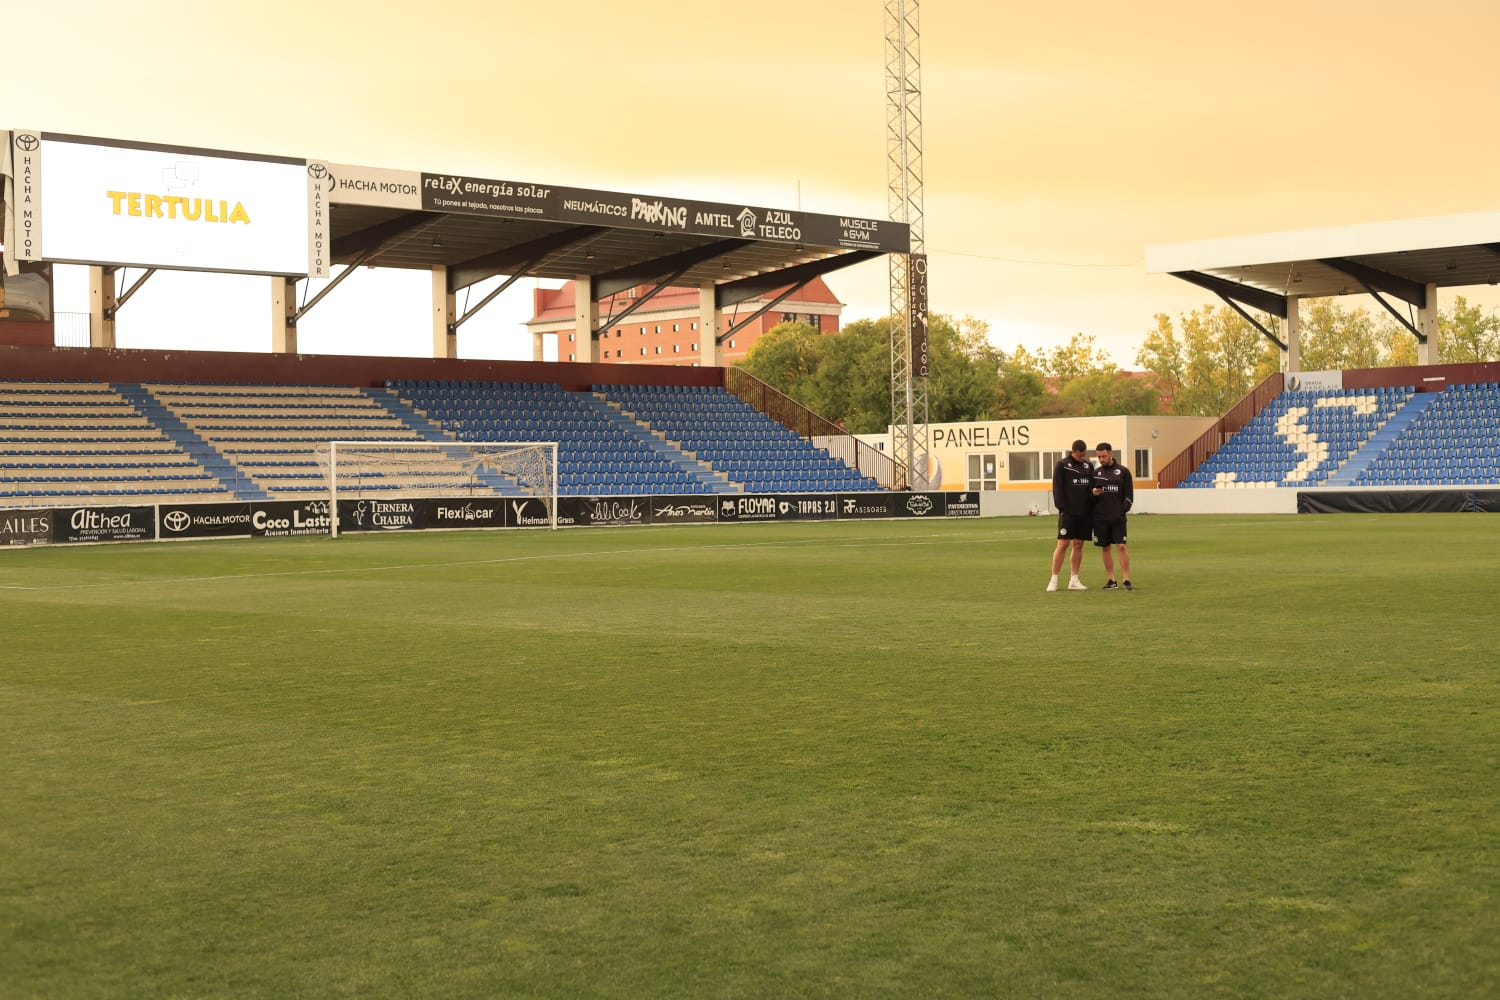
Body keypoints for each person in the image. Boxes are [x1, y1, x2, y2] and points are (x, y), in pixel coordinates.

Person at [1046, 439, 1094, 591]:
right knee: (1063, 543)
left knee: (1078, 544)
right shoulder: (1062, 465)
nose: (1083, 457)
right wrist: (1061, 508)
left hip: (1084, 512)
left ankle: (1074, 579)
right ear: (1074, 451)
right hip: (1068, 512)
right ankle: (1054, 579)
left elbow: (1091, 487)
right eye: (1081, 455)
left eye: (1084, 455)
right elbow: (1057, 488)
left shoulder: (1088, 466)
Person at [1090, 443, 1134, 591]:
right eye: (1099, 457)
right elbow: (1090, 496)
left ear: (1110, 454)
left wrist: (1122, 511)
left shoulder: (1123, 472)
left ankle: (1126, 579)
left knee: (1121, 546)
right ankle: (1111, 580)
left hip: (1118, 518)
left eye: (1104, 456)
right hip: (1100, 518)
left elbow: (1129, 496)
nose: (1101, 459)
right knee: (1105, 548)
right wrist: (1094, 494)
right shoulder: (1096, 473)